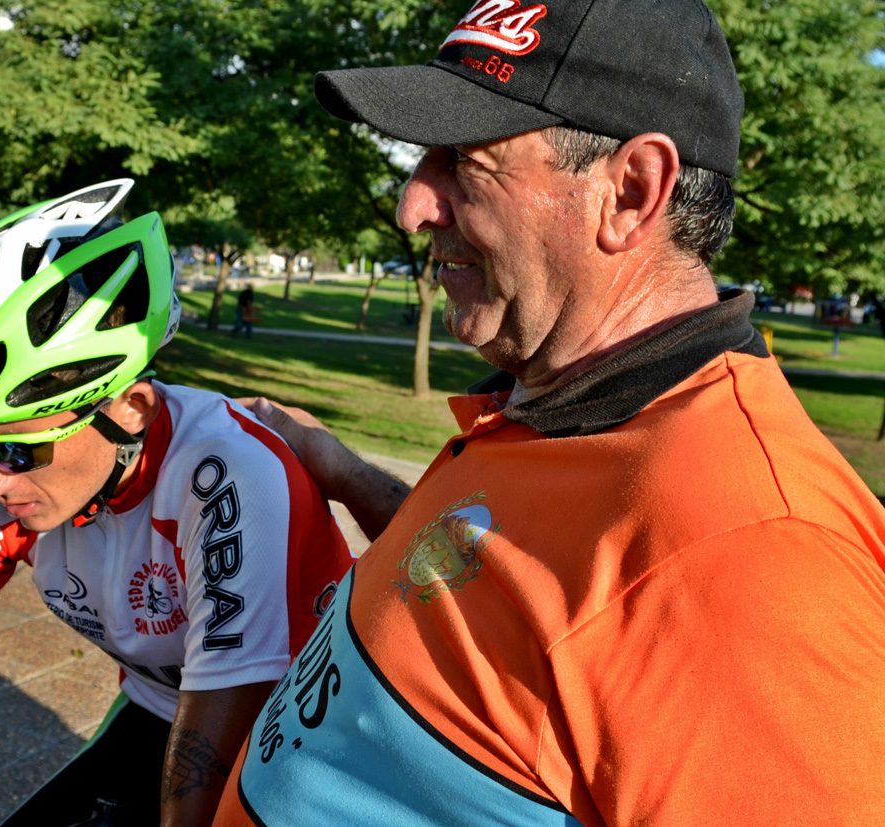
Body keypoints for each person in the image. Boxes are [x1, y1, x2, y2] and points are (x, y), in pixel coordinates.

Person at [214, 2, 885, 825]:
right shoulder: (563, 402)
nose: (413, 206)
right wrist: (351, 476)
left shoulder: (749, 552)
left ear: (631, 191)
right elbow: (515, 600)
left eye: (465, 160)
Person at [0, 179, 353, 827]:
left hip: (305, 744)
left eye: (16, 451)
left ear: (130, 408)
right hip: (162, 708)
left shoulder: (226, 477)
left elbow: (201, 780)